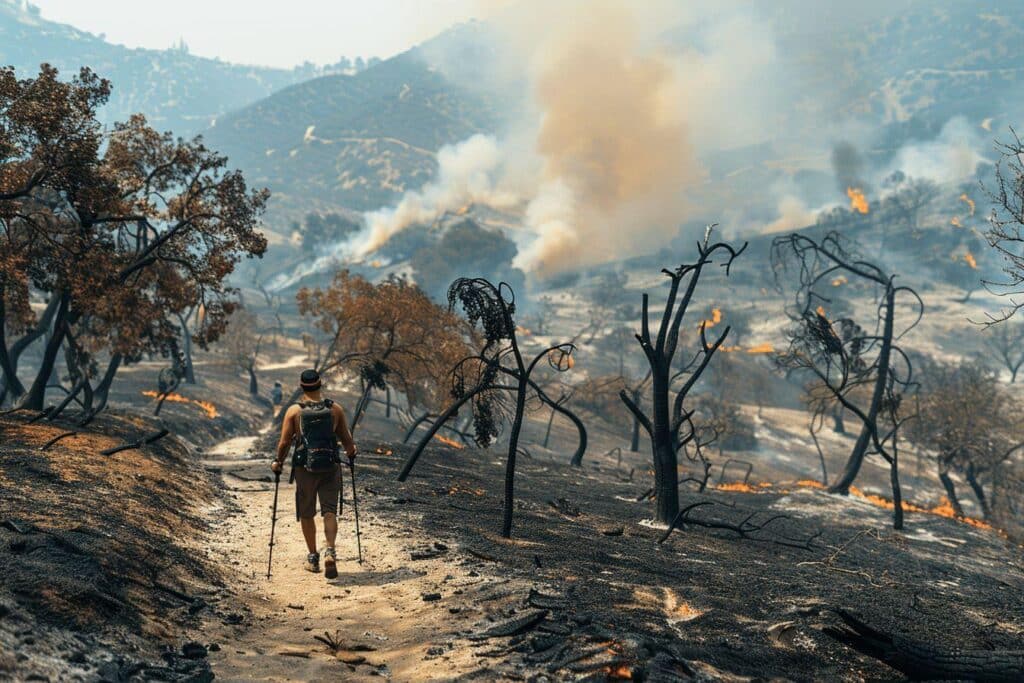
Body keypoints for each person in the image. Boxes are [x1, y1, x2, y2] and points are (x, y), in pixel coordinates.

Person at [271, 369, 357, 580]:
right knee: (329, 511)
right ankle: (330, 550)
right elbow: (347, 441)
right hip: (330, 466)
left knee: (307, 512)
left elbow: (283, 443)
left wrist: (278, 462)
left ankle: (312, 557)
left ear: (302, 387)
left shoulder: (293, 411)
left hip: (304, 469)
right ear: (320, 385)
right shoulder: (334, 409)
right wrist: (352, 453)